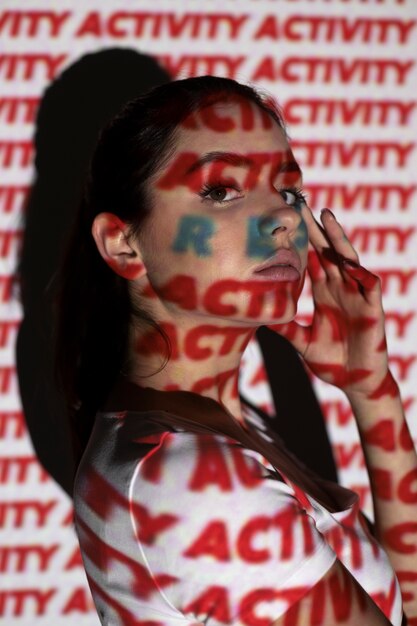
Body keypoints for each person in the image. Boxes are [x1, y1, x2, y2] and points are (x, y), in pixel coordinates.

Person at [53, 76, 417, 626]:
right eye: (221, 190)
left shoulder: (223, 431)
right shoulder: (189, 477)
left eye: (289, 191)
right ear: (123, 244)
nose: (287, 218)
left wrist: (372, 391)